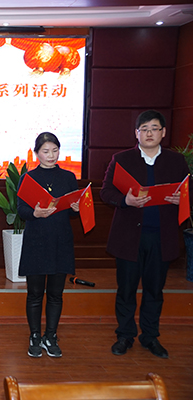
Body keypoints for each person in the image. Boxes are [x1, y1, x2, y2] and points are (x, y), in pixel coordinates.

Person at [100, 110, 189, 359]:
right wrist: (125, 201)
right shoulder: (122, 159)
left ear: (163, 132)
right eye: (144, 129)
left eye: (154, 128)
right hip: (129, 237)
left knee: (154, 290)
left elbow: (189, 192)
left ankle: (150, 336)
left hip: (162, 236)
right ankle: (125, 335)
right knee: (126, 289)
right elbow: (106, 192)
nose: (149, 133)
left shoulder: (176, 161)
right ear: (136, 133)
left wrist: (181, 199)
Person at [16, 132, 80, 358]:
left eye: (55, 150)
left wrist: (76, 209)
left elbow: (72, 211)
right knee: (34, 293)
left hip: (61, 240)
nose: (51, 155)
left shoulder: (69, 177)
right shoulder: (28, 178)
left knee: (55, 294)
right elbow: (21, 210)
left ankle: (50, 335)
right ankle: (35, 335)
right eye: (45, 151)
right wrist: (35, 213)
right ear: (37, 153)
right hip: (36, 240)